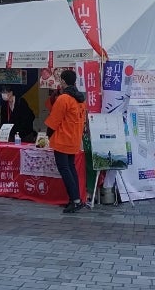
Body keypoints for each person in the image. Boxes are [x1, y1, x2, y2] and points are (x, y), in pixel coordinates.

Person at [46, 69, 88, 214]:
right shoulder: (81, 100)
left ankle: (75, 200)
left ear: (63, 81)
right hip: (74, 139)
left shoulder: (63, 99)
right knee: (71, 168)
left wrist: (48, 135)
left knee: (65, 169)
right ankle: (77, 199)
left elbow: (54, 121)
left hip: (62, 139)